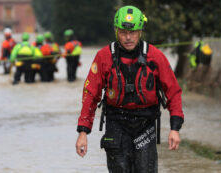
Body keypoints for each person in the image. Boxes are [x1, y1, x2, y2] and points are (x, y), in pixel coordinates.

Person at [75, 6, 184, 173]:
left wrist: (175, 128)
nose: (128, 37)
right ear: (116, 31)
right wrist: (83, 132)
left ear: (140, 32)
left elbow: (173, 92)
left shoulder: (155, 56)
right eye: (123, 32)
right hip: (116, 123)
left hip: (145, 124)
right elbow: (90, 93)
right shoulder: (104, 57)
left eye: (133, 32)